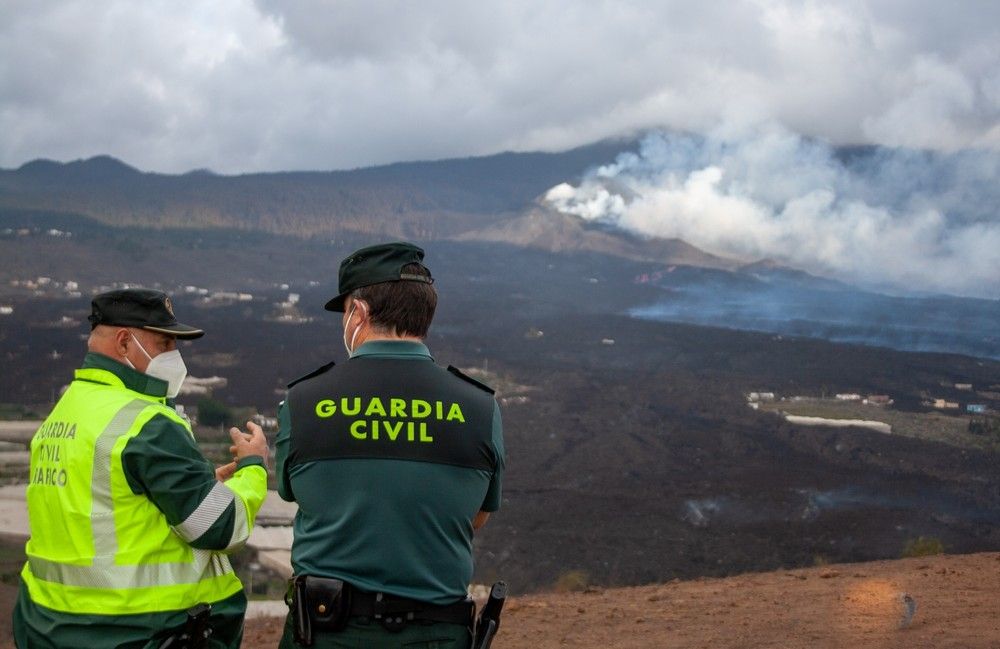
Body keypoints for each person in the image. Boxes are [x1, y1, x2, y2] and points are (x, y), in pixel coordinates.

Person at [276, 242, 505, 648]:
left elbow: (303, 497)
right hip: (437, 633)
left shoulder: (303, 401)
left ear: (359, 313)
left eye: (345, 311)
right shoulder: (480, 407)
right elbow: (477, 516)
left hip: (327, 632)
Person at [13, 288, 269, 649]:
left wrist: (192, 488)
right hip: (138, 632)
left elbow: (104, 508)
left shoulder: (67, 410)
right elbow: (221, 527)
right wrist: (253, 467)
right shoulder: (147, 422)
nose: (174, 356)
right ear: (123, 342)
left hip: (50, 627)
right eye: (165, 344)